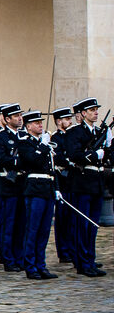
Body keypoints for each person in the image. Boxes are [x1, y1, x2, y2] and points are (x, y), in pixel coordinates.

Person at [61, 97, 107, 277]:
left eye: (96, 110)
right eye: (92, 110)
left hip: (97, 183)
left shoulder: (99, 132)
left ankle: (90, 259)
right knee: (82, 224)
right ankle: (82, 263)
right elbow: (75, 155)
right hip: (82, 183)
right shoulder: (75, 132)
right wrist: (95, 155)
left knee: (93, 225)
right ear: (83, 113)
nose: (96, 113)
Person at [16, 110, 59, 280]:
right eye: (36, 123)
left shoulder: (44, 143)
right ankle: (30, 265)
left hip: (47, 188)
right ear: (28, 126)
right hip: (35, 188)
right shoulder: (25, 143)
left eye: (41, 122)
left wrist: (56, 188)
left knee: (44, 231)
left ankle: (41, 265)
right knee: (32, 229)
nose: (40, 125)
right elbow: (32, 161)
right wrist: (43, 146)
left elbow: (51, 168)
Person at [0, 103, 26, 272]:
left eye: (20, 115)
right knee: (7, 223)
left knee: (21, 223)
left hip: (22, 184)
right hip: (7, 184)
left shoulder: (24, 135)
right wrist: (22, 161)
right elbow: (2, 158)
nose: (20, 118)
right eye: (16, 116)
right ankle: (8, 258)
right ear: (7, 119)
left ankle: (19, 257)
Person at [51, 106, 76, 264]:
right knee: (62, 218)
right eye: (67, 119)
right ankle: (64, 251)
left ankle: (73, 249)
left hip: (73, 180)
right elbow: (58, 158)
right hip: (62, 179)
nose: (70, 121)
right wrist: (69, 160)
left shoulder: (72, 136)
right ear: (59, 121)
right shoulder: (55, 138)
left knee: (73, 218)